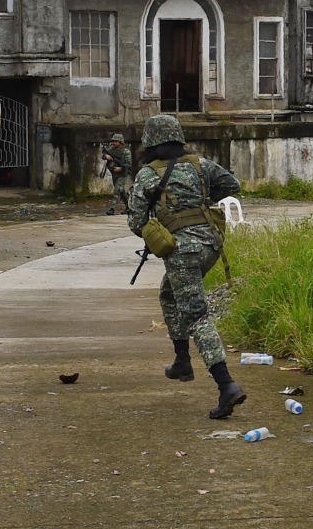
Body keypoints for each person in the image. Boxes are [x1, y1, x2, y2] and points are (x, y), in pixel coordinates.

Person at [127, 114, 244, 419]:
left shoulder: (147, 176)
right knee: (169, 293)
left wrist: (162, 216)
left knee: (196, 314)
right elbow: (233, 184)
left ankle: (226, 384)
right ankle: (182, 361)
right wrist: (198, 199)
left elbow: (136, 222)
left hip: (183, 252)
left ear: (150, 142)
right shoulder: (200, 164)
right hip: (211, 245)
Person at [102, 133, 132, 215]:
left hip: (123, 174)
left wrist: (121, 168)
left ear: (121, 142)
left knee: (117, 190)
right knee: (121, 191)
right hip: (114, 173)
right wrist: (106, 156)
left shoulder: (126, 152)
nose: (114, 143)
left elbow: (129, 164)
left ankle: (112, 209)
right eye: (113, 141)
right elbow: (103, 154)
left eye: (116, 141)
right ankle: (129, 207)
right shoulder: (111, 149)